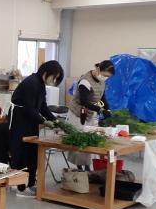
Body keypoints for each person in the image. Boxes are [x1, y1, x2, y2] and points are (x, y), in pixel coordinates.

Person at [8, 60, 64, 198]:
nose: (54, 80)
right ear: (46, 72)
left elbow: (42, 106)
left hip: (30, 120)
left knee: (32, 152)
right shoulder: (31, 83)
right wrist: (44, 121)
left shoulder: (40, 84)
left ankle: (30, 183)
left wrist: (54, 120)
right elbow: (28, 108)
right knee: (21, 152)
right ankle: (20, 188)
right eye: (54, 77)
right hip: (20, 120)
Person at [67, 60, 115, 169]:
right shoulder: (85, 81)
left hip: (90, 112)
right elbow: (84, 101)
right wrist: (101, 110)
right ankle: (79, 167)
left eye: (107, 77)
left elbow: (102, 98)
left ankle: (87, 166)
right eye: (105, 75)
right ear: (99, 69)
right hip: (78, 113)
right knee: (80, 139)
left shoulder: (101, 81)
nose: (105, 78)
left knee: (90, 139)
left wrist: (107, 109)